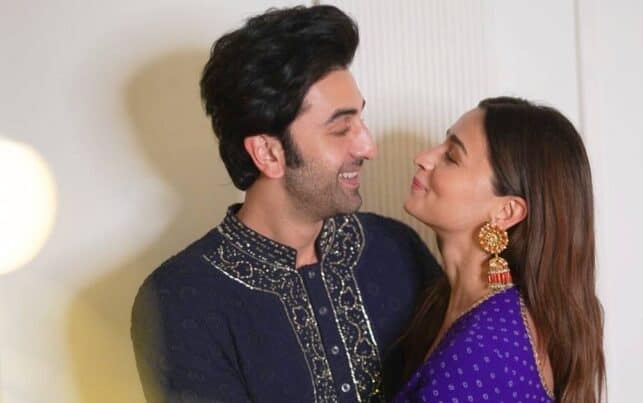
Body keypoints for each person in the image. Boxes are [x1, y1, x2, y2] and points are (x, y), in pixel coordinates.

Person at [130, 5, 439, 402]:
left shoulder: (396, 248)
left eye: (361, 121)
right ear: (268, 153)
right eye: (341, 129)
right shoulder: (178, 301)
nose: (368, 146)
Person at [393, 97, 606, 402]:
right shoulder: (455, 306)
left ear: (506, 212)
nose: (423, 158)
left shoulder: (486, 351)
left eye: (451, 156)